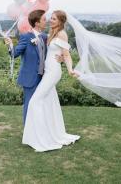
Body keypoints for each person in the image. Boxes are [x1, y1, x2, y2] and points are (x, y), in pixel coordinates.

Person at [22, 10, 81, 152]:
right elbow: (54, 51)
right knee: (48, 103)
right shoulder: (52, 33)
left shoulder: (62, 34)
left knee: (35, 101)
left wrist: (70, 69)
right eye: (51, 18)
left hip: (53, 72)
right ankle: (50, 133)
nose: (50, 20)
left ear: (60, 21)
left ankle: (42, 137)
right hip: (47, 71)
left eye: (54, 19)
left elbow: (66, 54)